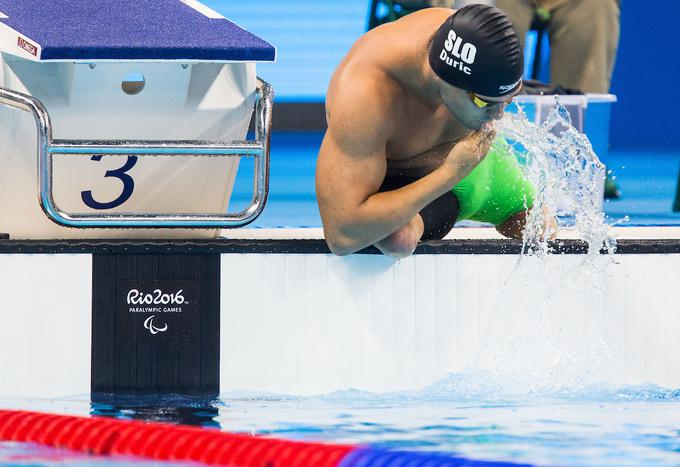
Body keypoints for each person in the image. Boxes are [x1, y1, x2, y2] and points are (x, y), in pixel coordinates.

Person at [316, 5, 538, 258]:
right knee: (397, 240)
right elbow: (342, 235)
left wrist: (489, 103)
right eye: (484, 102)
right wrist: (449, 175)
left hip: (480, 163)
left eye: (509, 98)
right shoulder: (366, 94)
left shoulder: (471, 37)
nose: (499, 114)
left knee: (538, 226)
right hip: (408, 177)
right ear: (444, 79)